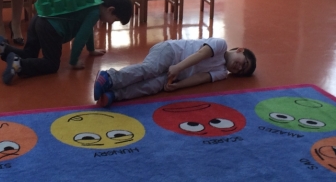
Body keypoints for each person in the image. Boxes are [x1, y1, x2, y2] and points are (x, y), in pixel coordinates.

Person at [0, 0, 134, 85]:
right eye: (115, 20)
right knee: (52, 64)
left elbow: (87, 31)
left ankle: (2, 48)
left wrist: (91, 50)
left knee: (30, 53)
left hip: (38, 19)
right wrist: (73, 61)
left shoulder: (94, 1)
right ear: (110, 10)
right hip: (50, 28)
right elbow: (80, 38)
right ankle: (18, 64)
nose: (111, 23)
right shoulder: (94, 14)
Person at [93, 37, 256, 107]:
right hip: (171, 52)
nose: (239, 68)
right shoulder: (221, 44)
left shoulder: (221, 73)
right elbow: (200, 54)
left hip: (175, 74)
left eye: (241, 71)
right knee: (151, 69)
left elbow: (201, 78)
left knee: (153, 86)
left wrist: (179, 85)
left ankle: (115, 95)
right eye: (244, 63)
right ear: (240, 50)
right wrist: (178, 67)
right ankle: (109, 78)